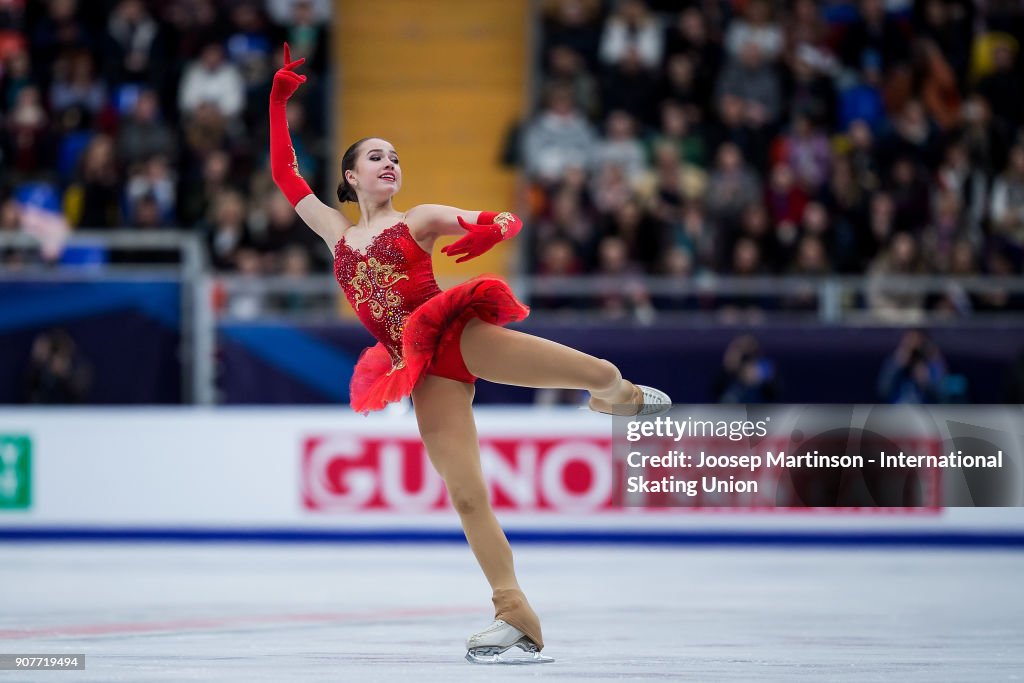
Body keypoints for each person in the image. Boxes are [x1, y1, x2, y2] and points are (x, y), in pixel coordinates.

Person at [268, 45, 671, 665]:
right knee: (466, 495)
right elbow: (285, 175)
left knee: (598, 371)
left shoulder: (419, 218)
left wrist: (492, 228)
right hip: (418, 367)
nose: (390, 163)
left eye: (395, 156)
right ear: (350, 177)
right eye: (376, 156)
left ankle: (616, 397)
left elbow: (498, 217)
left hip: (458, 335)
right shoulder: (335, 233)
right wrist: (277, 102)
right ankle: (514, 614)